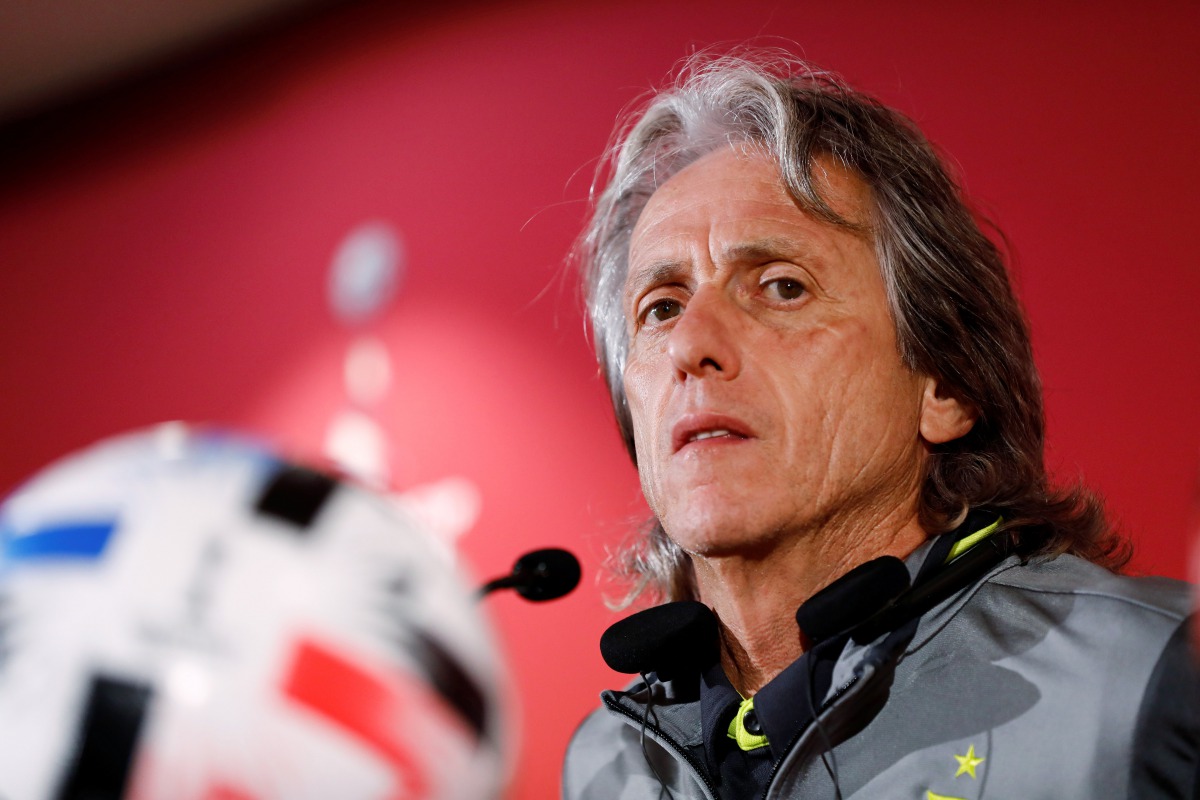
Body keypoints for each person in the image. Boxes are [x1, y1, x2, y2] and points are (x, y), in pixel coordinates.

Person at [562, 51, 1199, 799]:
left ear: (947, 385)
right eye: (661, 307)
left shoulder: (1153, 678)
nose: (690, 345)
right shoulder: (608, 764)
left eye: (781, 287)